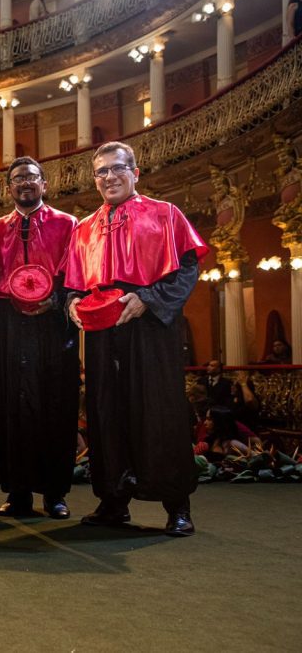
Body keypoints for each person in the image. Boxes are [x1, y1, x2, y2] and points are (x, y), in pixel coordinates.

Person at [65, 141, 209, 537]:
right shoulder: (84, 228)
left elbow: (186, 270)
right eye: (102, 171)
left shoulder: (165, 214)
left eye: (118, 168)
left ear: (135, 172)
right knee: (105, 412)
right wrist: (72, 303)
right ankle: (113, 502)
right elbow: (72, 283)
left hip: (150, 328)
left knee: (159, 410)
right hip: (101, 332)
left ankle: (177, 505)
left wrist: (147, 299)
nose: (109, 177)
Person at [0, 156, 80, 519]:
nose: (25, 182)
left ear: (44, 184)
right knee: (11, 403)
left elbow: (78, 276)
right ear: (9, 188)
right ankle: (18, 491)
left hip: (54, 324)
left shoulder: (68, 224)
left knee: (56, 402)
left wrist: (55, 301)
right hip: (9, 324)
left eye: (31, 177)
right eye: (17, 178)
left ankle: (55, 493)